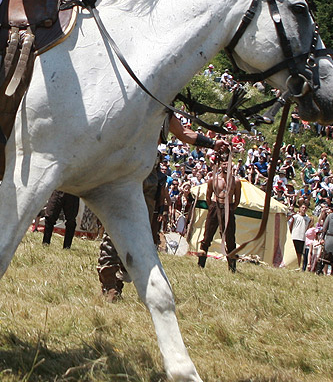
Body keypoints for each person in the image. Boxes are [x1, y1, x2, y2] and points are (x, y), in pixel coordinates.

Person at [98, 112, 223, 300]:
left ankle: (118, 283)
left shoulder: (165, 110)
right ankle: (109, 286)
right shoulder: (137, 102)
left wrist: (213, 144)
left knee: (139, 233)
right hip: (127, 169)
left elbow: (184, 134)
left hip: (150, 174)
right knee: (116, 228)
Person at [198, 142, 242, 272]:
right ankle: (201, 265)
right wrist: (212, 207)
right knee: (207, 236)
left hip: (228, 208)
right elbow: (208, 196)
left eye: (227, 163)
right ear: (220, 165)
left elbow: (237, 199)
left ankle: (232, 268)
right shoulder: (213, 180)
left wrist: (231, 208)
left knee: (230, 238)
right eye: (223, 163)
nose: (225, 165)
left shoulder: (236, 182)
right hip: (215, 207)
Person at [289, 202, 311, 271]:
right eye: (303, 207)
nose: (304, 209)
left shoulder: (308, 219)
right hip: (294, 236)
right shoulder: (295, 217)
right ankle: (291, 265)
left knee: (299, 253)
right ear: (300, 208)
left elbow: (308, 227)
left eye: (305, 208)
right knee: (293, 252)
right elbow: (291, 226)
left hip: (302, 238)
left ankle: (298, 266)